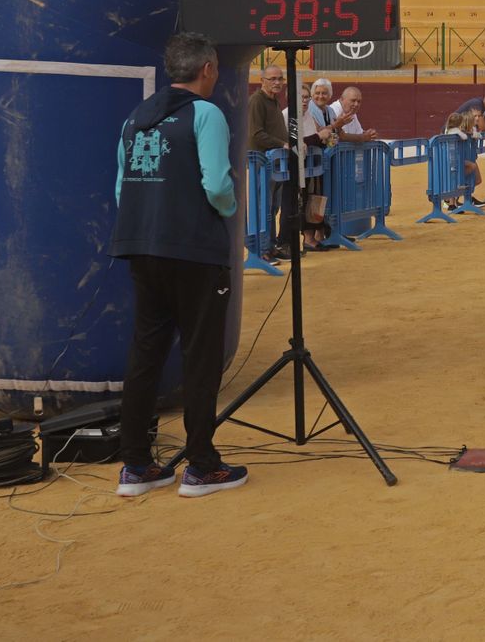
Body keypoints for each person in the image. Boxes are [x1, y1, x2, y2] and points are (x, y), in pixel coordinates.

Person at [111, 33, 247, 498]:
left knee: (145, 354)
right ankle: (202, 466)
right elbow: (217, 185)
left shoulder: (135, 117)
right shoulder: (205, 114)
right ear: (207, 68)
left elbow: (121, 186)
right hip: (193, 250)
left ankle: (135, 465)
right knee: (201, 356)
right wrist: (228, 211)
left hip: (141, 247)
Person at [300, 78, 352, 252]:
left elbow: (334, 133)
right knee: (311, 197)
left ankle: (319, 234)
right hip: (311, 162)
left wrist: (335, 128)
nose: (320, 96)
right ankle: (309, 238)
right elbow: (320, 133)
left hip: (323, 161)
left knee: (321, 196)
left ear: (330, 95)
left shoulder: (329, 110)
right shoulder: (309, 110)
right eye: (317, 93)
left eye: (324, 93)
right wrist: (335, 126)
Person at [247, 64, 292, 261]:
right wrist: (282, 144)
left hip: (274, 162)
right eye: (272, 78)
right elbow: (256, 134)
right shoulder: (257, 101)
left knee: (272, 207)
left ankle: (270, 246)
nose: (277, 82)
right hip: (262, 162)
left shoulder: (274, 101)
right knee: (263, 207)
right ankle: (261, 250)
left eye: (280, 78)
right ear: (262, 81)